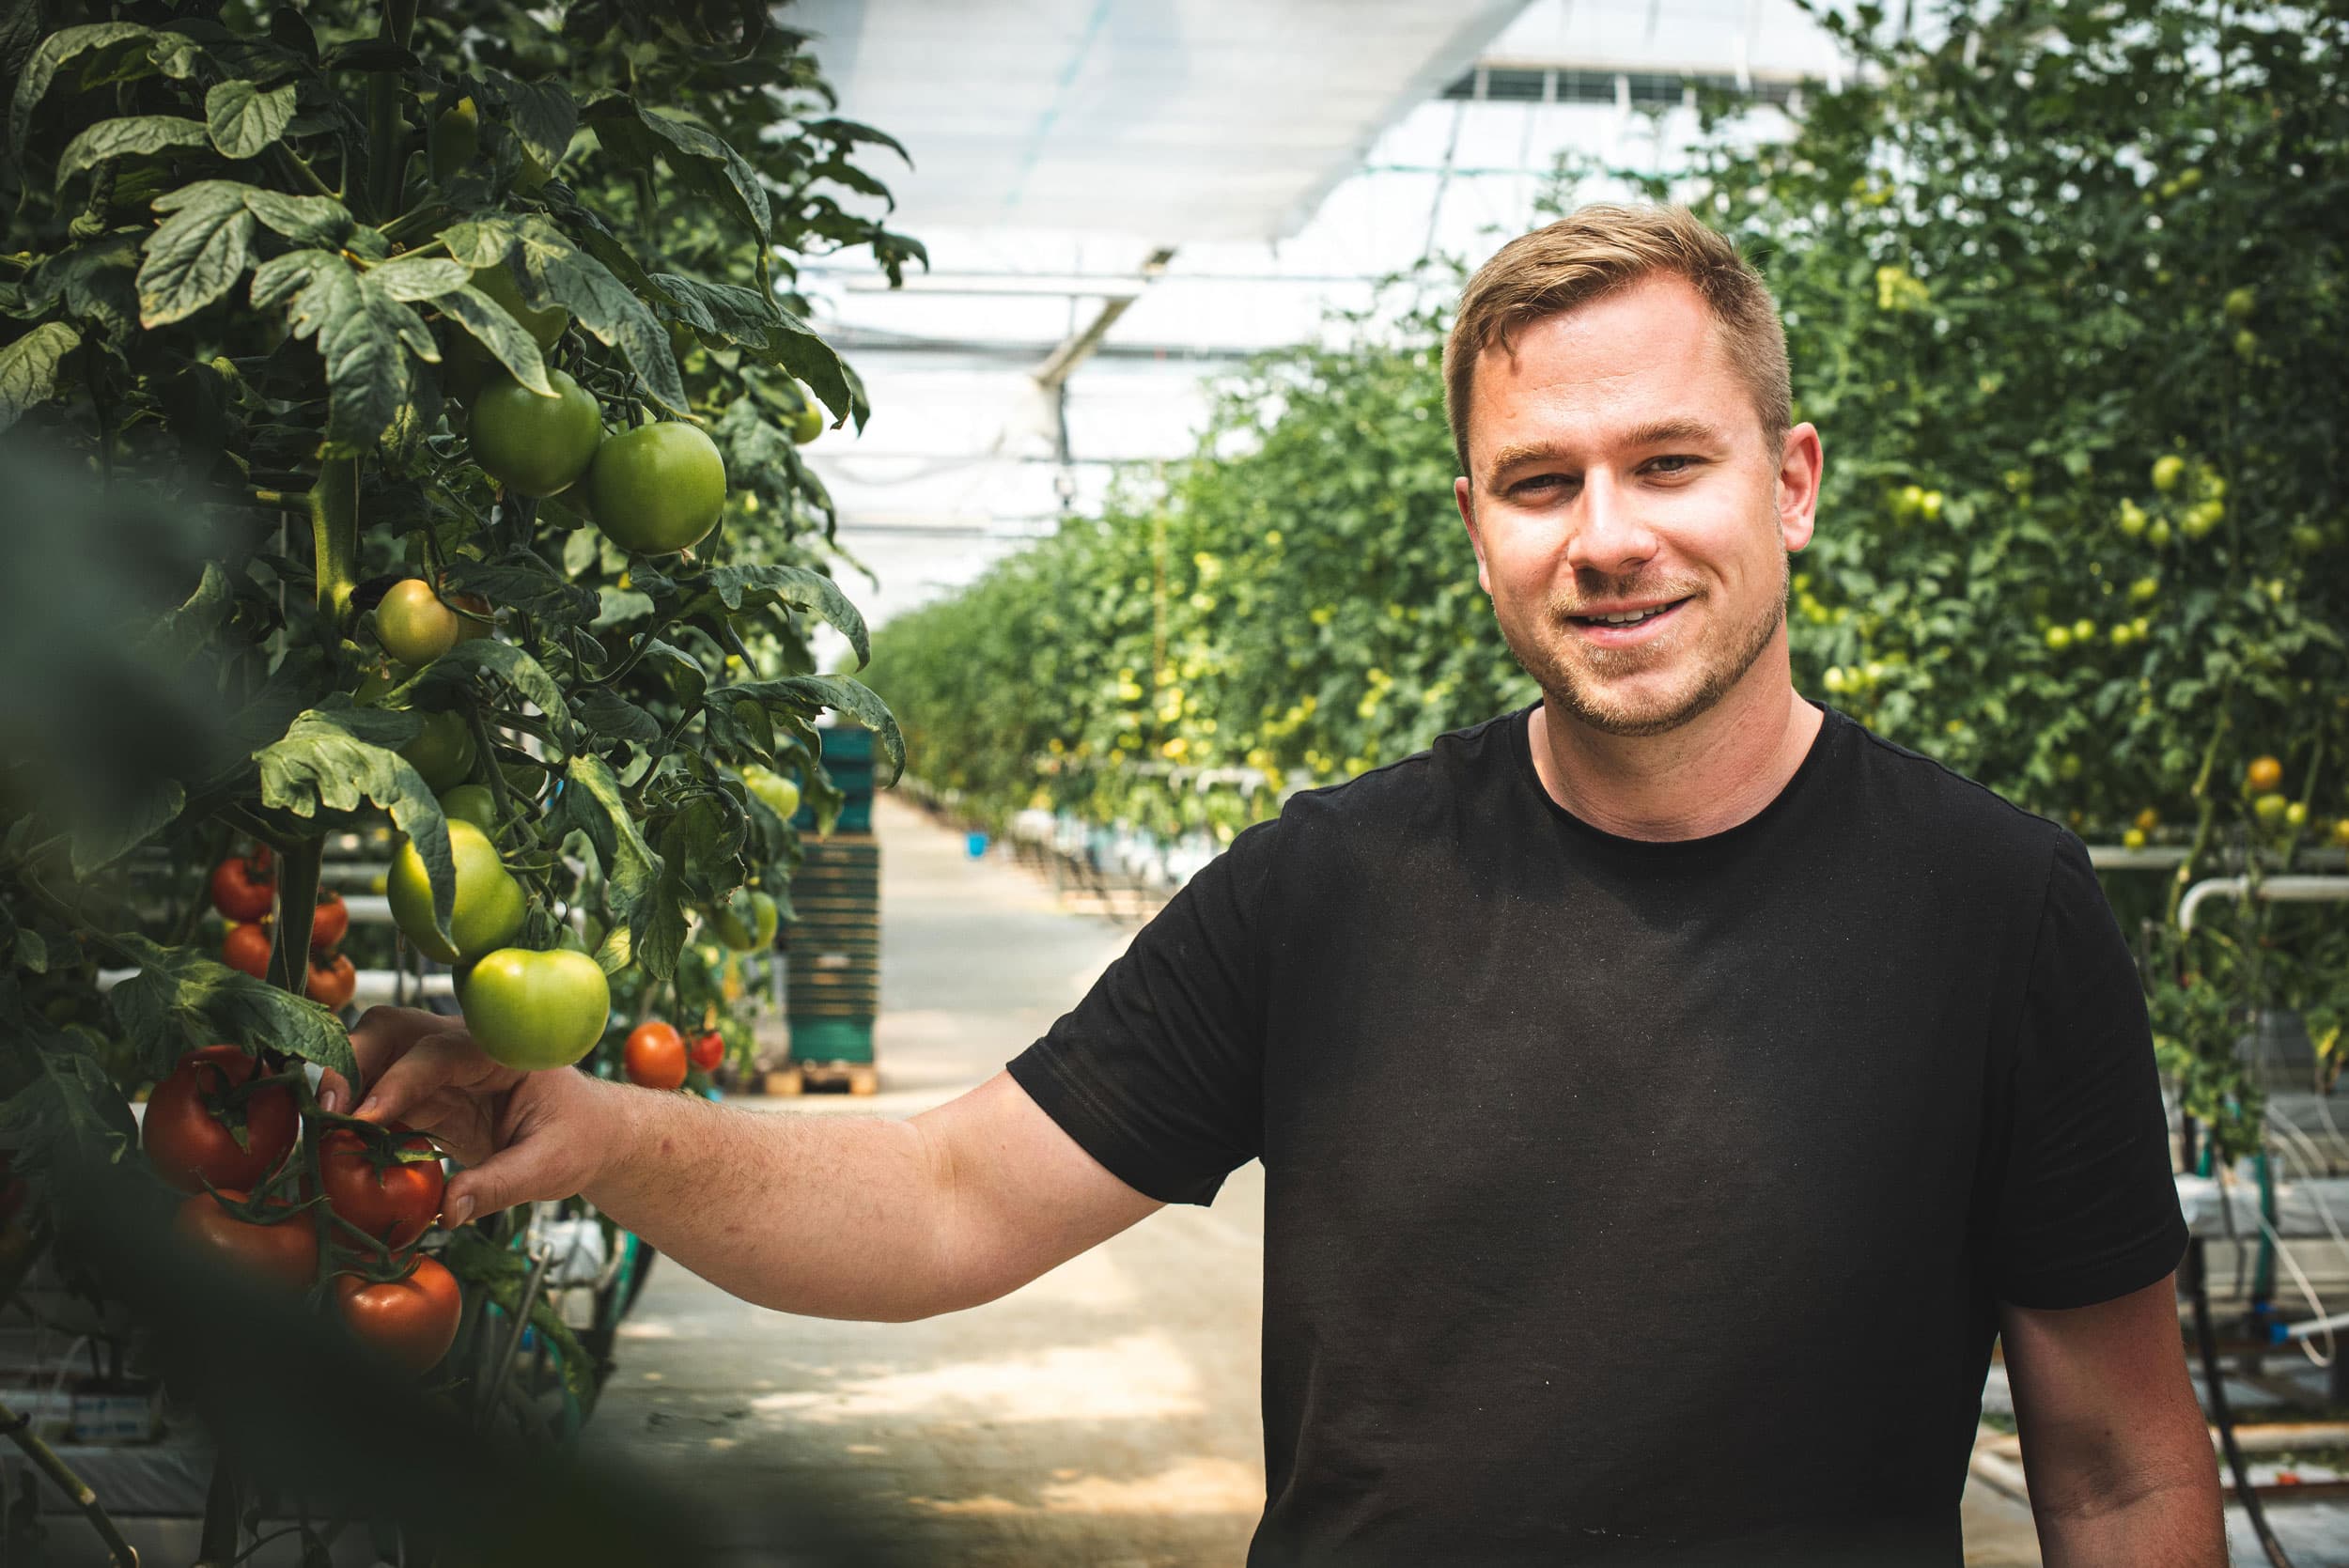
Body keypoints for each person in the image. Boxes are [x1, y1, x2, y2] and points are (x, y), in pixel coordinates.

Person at [322, 204, 2224, 1566]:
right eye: (1538, 480)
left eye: (1668, 462)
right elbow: (948, 1194)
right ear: (1473, 520)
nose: (1608, 537)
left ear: (1789, 481)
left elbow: (2119, 1471)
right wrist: (604, 1130)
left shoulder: (1997, 908)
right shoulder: (1336, 885)